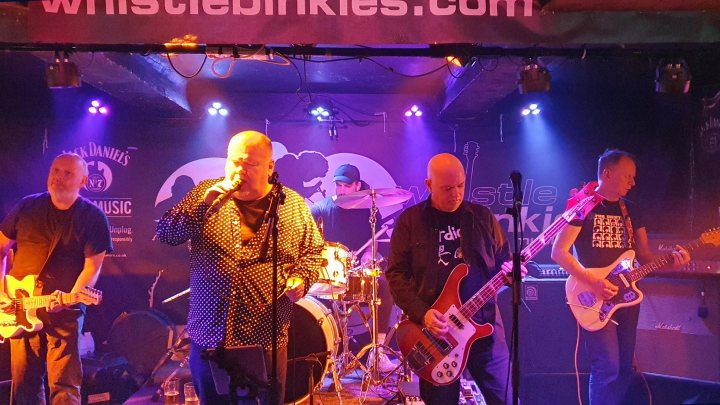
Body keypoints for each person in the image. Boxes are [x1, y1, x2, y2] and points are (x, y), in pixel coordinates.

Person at [156, 130, 324, 405]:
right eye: (235, 161)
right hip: (209, 335)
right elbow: (166, 233)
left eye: (250, 164)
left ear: (269, 167)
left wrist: (301, 279)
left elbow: (313, 252)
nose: (240, 170)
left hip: (264, 339)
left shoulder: (291, 204)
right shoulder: (205, 193)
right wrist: (203, 206)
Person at [551, 149, 690, 405]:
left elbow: (645, 257)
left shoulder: (632, 211)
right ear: (607, 174)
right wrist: (594, 282)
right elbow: (558, 252)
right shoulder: (582, 207)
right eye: (628, 176)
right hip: (594, 296)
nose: (633, 182)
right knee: (607, 367)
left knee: (625, 367)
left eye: (633, 177)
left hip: (627, 298)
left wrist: (674, 262)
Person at [386, 153, 522, 405]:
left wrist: (513, 273)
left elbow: (504, 261)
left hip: (485, 329)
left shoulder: (482, 217)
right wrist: (423, 314)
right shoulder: (410, 221)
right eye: (447, 189)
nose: (456, 194)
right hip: (437, 335)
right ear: (429, 185)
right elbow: (395, 275)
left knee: (505, 400)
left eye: (460, 186)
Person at [0, 153, 113, 404]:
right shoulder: (27, 206)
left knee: (64, 384)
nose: (58, 177)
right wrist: (1, 291)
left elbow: (92, 268)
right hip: (19, 306)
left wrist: (70, 298)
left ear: (83, 181)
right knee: (24, 384)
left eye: (67, 173)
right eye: (55, 171)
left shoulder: (93, 217)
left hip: (65, 310)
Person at [310, 163, 397, 372]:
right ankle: (327, 353)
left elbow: (376, 243)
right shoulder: (321, 208)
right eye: (338, 185)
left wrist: (368, 254)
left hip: (358, 272)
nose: (341, 190)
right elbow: (308, 241)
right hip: (330, 272)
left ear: (357, 186)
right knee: (313, 293)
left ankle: (378, 352)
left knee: (385, 286)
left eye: (346, 186)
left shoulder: (368, 210)